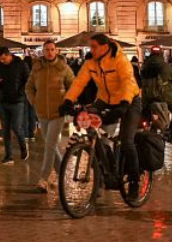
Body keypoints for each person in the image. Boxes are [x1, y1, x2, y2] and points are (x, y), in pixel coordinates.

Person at [59, 34, 142, 199]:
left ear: (105, 46)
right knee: (93, 132)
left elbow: (127, 81)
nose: (92, 50)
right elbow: (79, 83)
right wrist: (68, 100)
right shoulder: (91, 63)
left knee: (127, 142)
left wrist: (124, 103)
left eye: (95, 46)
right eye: (91, 47)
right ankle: (105, 172)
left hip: (130, 100)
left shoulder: (120, 60)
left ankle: (134, 181)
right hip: (105, 100)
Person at [26, 40, 74, 191]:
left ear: (56, 50)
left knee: (50, 145)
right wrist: (34, 101)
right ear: (43, 51)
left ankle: (43, 179)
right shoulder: (37, 68)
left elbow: (73, 86)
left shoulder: (63, 68)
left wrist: (66, 100)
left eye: (52, 49)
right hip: (41, 112)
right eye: (46, 49)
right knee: (51, 146)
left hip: (57, 112)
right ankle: (62, 175)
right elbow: (29, 87)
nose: (49, 52)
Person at [0, 45, 30, 163]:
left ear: (9, 55)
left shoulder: (21, 65)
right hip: (3, 101)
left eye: (4, 59)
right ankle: (8, 156)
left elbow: (28, 80)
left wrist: (20, 92)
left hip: (17, 101)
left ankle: (23, 147)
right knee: (5, 130)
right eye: (0, 59)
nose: (2, 61)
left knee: (17, 127)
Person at [140, 45, 172, 131]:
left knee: (145, 115)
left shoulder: (144, 66)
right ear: (161, 54)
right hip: (163, 97)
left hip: (147, 98)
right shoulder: (165, 67)